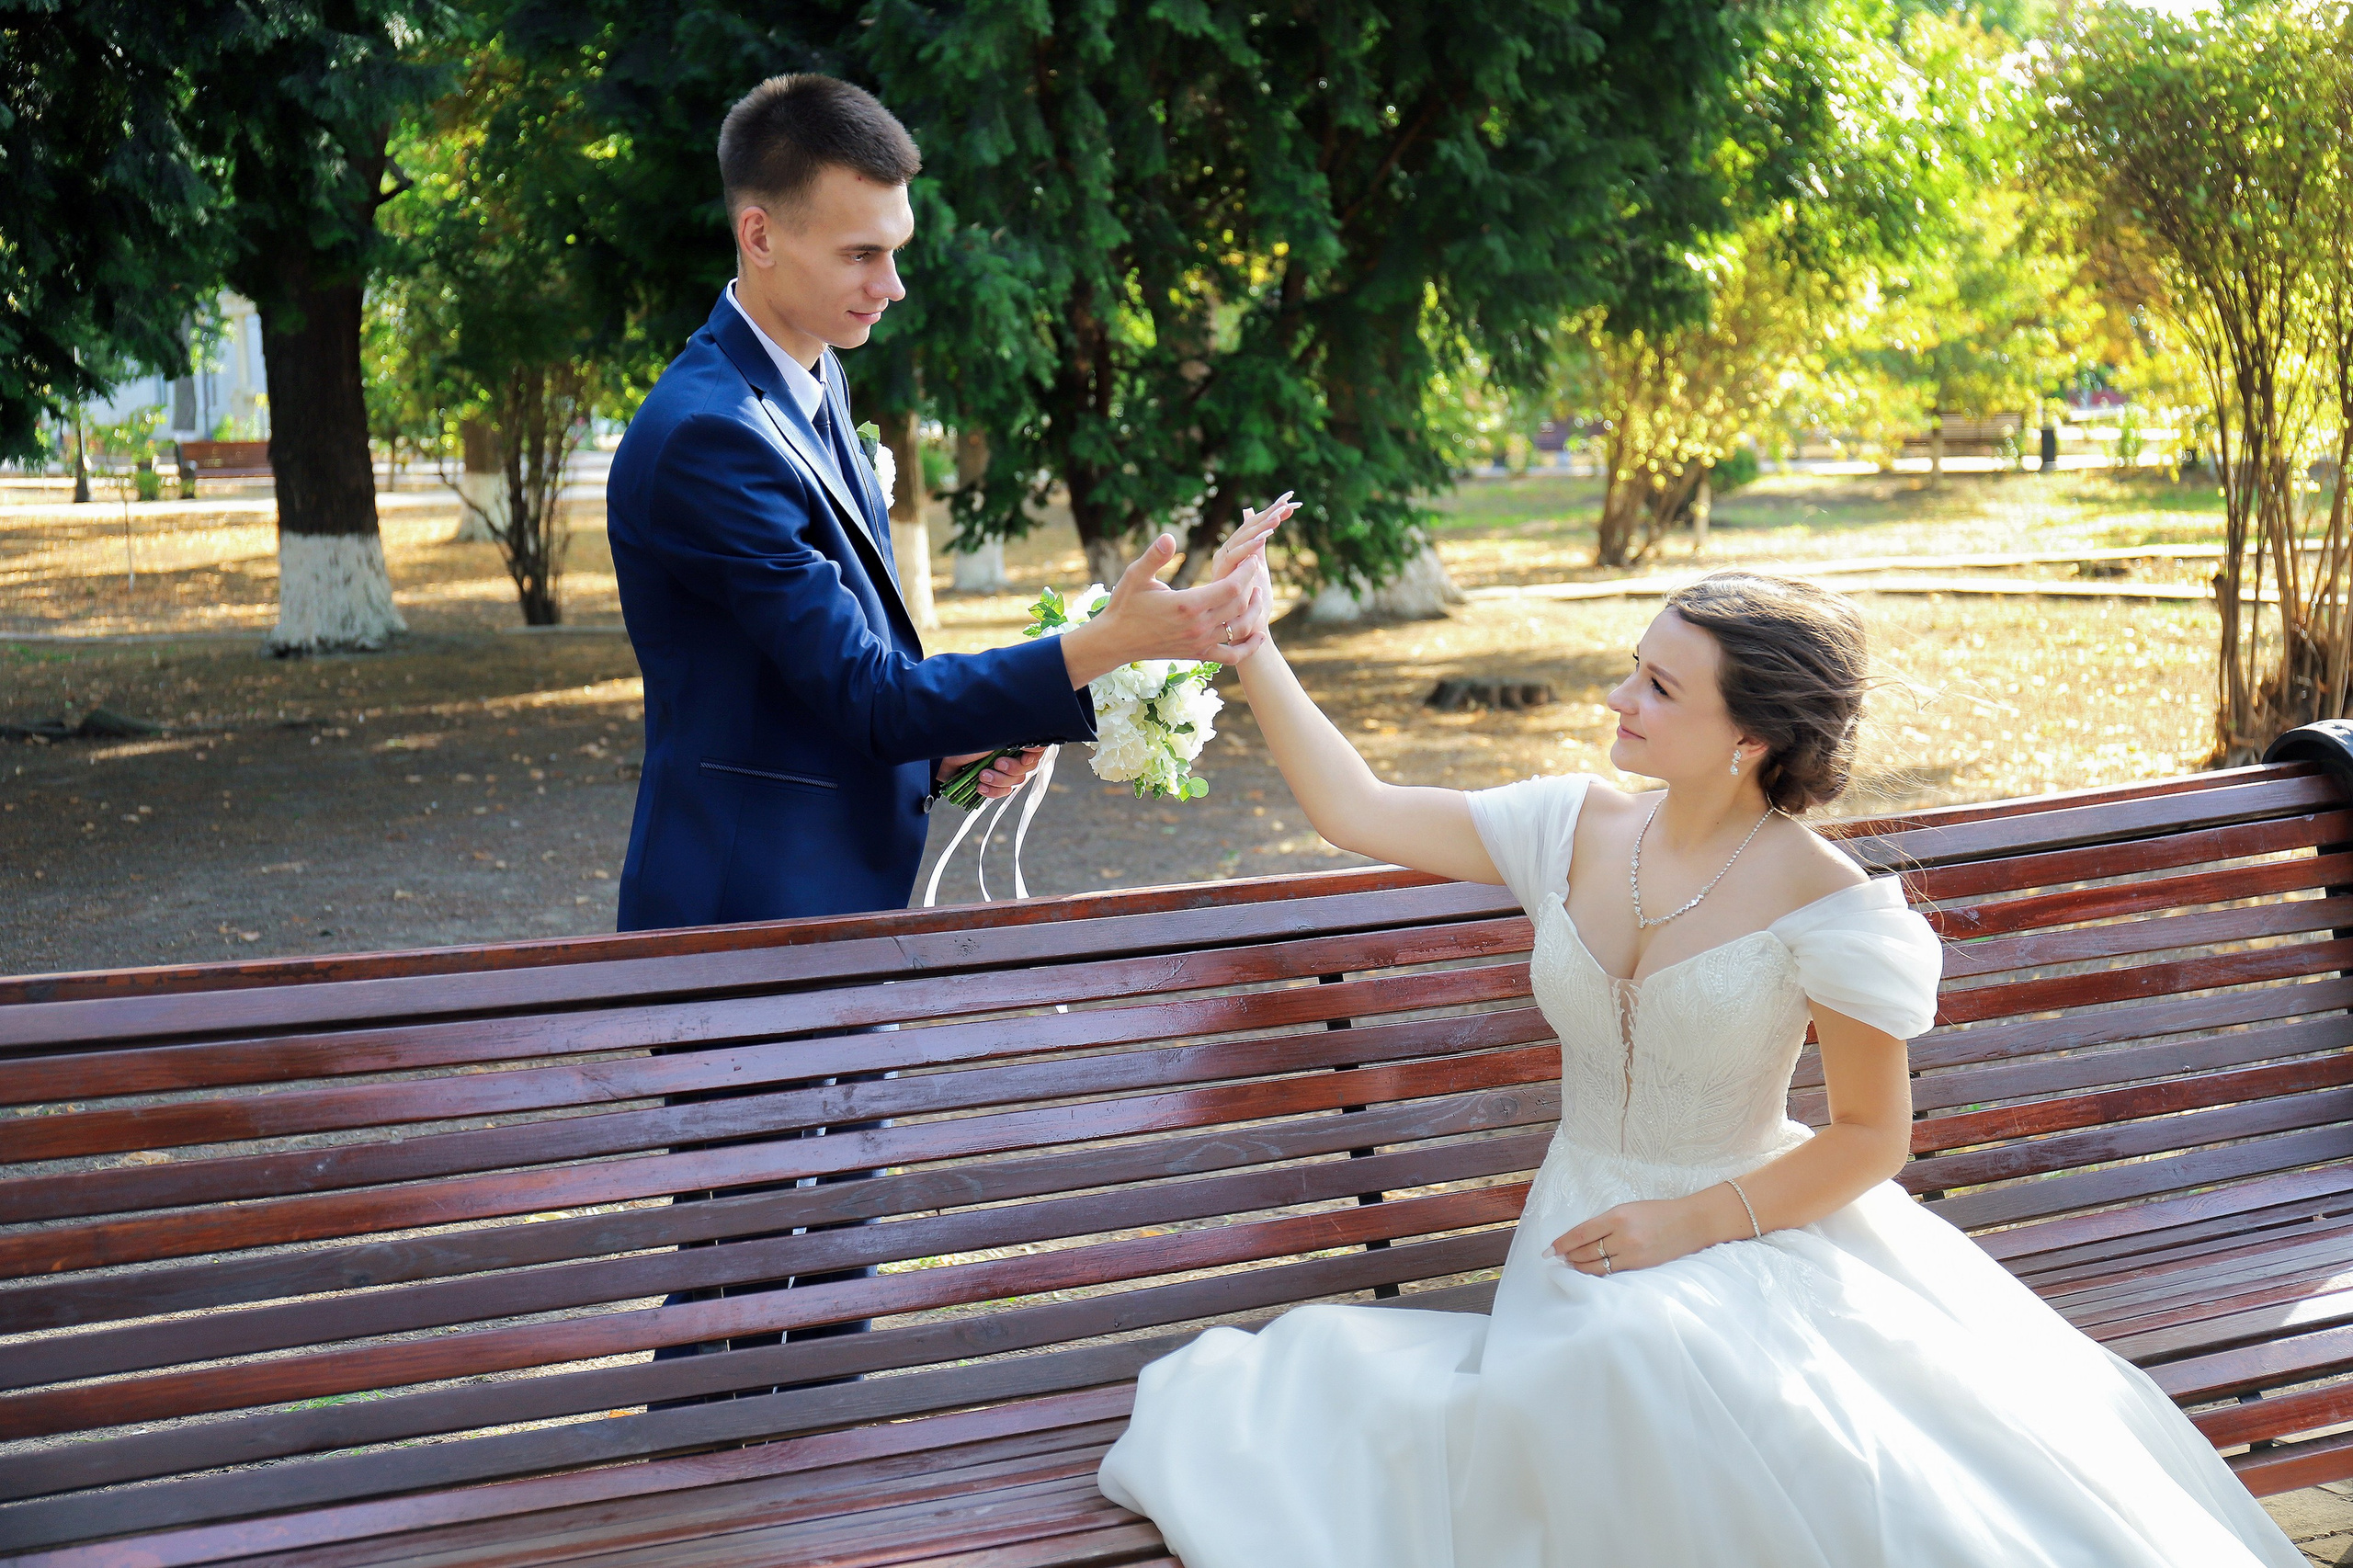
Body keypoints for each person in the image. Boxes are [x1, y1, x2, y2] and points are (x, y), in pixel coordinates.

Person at [1097, 539, 2301, 1567]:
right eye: (1635, 666)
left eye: (1660, 686)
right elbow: (1352, 806)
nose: (1621, 697)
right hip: (1580, 1225)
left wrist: (1694, 1221)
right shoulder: (1568, 825)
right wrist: (1248, 644)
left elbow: (1875, 1138)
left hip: (1754, 1226)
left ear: (1748, 741)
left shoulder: (1833, 904)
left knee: (1798, 1436)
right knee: (1599, 1368)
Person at [605, 74, 1271, 1388]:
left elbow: (839, 693)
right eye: (861, 253)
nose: (889, 287)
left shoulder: (808, 385)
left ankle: (822, 1506)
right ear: (759, 235)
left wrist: (959, 751)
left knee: (832, 1288)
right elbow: (867, 695)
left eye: (895, 253)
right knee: (737, 1301)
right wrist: (1107, 649)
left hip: (843, 905)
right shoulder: (707, 438)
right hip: (746, 922)